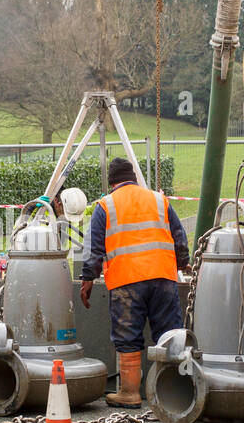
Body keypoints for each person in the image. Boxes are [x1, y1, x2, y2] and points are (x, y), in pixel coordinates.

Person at [80, 157, 189, 407]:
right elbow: (178, 235)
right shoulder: (159, 200)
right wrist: (183, 262)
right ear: (134, 178)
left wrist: (88, 279)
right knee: (169, 332)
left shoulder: (106, 205)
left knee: (128, 335)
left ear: (111, 182)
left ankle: (130, 393)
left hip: (126, 281)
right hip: (163, 276)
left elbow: (94, 248)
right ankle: (173, 390)